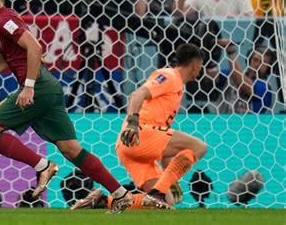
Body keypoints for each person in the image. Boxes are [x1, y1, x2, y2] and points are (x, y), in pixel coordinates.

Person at [0, 0, 134, 214]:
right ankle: (122, 195)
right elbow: (0, 61)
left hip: (37, 87)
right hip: (46, 86)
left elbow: (35, 47)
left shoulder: (6, 19)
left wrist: (28, 86)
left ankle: (42, 166)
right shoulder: (2, 22)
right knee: (71, 149)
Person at [73, 44, 207, 210]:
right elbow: (137, 94)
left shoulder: (177, 86)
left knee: (166, 204)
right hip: (140, 134)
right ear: (195, 65)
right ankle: (158, 192)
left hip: (133, 146)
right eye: (200, 66)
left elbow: (165, 148)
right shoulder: (169, 76)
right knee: (199, 147)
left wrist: (171, 178)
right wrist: (133, 123)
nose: (200, 71)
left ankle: (102, 201)